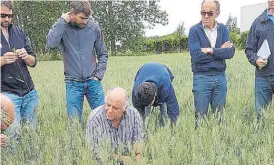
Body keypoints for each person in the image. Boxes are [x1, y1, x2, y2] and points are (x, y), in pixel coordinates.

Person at [46, 1, 108, 122]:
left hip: (93, 82)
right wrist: (62, 21)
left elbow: (103, 54)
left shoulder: (94, 28)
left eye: (87, 18)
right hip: (73, 83)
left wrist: (98, 76)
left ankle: (104, 140)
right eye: (82, 18)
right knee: (73, 123)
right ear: (72, 14)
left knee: (103, 118)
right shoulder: (62, 27)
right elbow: (51, 44)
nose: (85, 21)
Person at [188, 0, 235, 127]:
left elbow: (230, 53)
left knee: (220, 116)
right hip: (201, 77)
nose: (206, 16)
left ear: (217, 13)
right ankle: (200, 142)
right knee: (200, 116)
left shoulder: (223, 29)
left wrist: (210, 50)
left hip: (220, 77)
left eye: (210, 13)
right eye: (203, 13)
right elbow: (196, 56)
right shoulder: (194, 31)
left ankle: (219, 142)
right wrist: (220, 52)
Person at [1, 1, 39, 133]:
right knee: (13, 134)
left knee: (31, 133)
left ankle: (32, 154)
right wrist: (2, 60)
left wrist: (26, 56)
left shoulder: (18, 32)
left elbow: (33, 61)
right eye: (3, 15)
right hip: (7, 94)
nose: (7, 19)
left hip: (29, 92)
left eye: (10, 16)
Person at [86, 87, 143, 165]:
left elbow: (138, 138)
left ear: (124, 109)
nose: (109, 110)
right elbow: (94, 151)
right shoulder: (95, 119)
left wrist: (138, 156)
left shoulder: (134, 114)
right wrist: (121, 158)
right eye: (108, 105)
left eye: (115, 108)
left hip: (129, 160)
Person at [245, 0, 274, 119]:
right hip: (263, 77)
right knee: (261, 117)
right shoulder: (258, 22)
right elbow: (249, 49)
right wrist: (256, 60)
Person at [132, 62, 179, 132]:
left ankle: (164, 126)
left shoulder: (166, 86)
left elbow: (173, 109)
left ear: (155, 95)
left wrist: (173, 128)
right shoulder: (136, 92)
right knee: (142, 116)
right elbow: (138, 111)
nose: (147, 105)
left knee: (164, 107)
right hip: (143, 70)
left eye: (149, 104)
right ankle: (144, 131)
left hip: (162, 71)